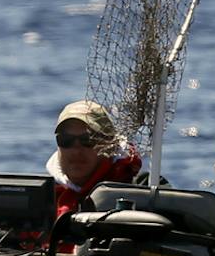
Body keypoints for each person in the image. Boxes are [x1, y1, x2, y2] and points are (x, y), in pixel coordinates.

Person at [46, 99, 145, 230]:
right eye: (66, 140)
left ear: (110, 145)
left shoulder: (140, 187)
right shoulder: (45, 196)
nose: (76, 151)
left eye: (88, 140)